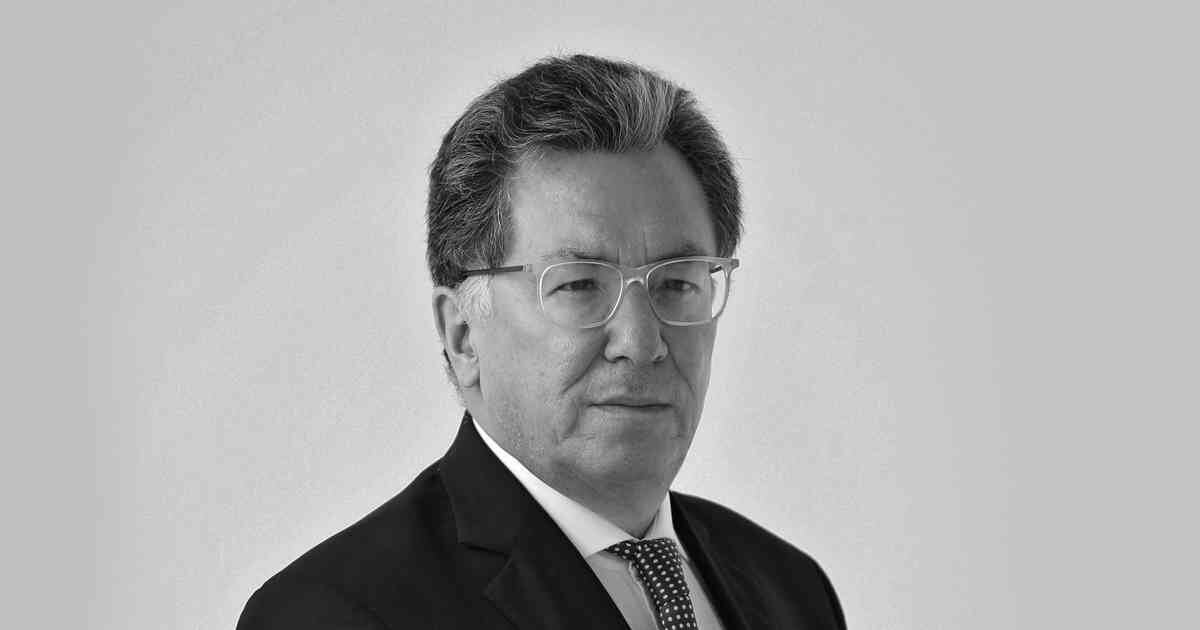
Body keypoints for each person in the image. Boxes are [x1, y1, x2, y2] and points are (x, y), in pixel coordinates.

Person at [237, 53, 846, 630]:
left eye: (677, 283)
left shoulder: (791, 590)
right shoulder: (335, 613)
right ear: (463, 334)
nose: (640, 342)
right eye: (579, 285)